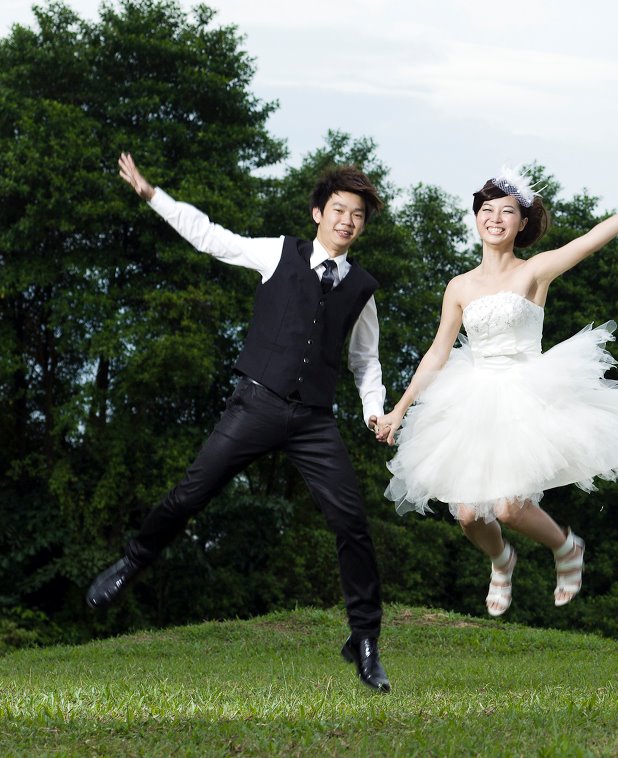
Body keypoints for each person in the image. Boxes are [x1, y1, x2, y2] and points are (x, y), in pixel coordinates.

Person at [89, 153, 393, 692]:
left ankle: (364, 639)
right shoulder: (278, 254)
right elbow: (209, 235)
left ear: (363, 227)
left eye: (358, 216)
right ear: (318, 213)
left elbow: (365, 361)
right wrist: (151, 194)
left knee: (352, 522)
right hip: (256, 404)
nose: (348, 220)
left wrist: (374, 409)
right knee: (189, 494)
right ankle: (130, 564)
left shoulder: (362, 288)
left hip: (313, 422)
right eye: (340, 210)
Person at [378, 165, 618, 617]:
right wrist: (399, 410)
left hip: (526, 391)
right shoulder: (459, 286)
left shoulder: (535, 270)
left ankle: (566, 546)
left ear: (522, 223)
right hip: (472, 398)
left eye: (507, 211)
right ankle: (502, 561)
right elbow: (438, 353)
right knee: (468, 515)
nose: (495, 218)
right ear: (477, 217)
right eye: (487, 210)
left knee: (511, 508)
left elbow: (592, 239)